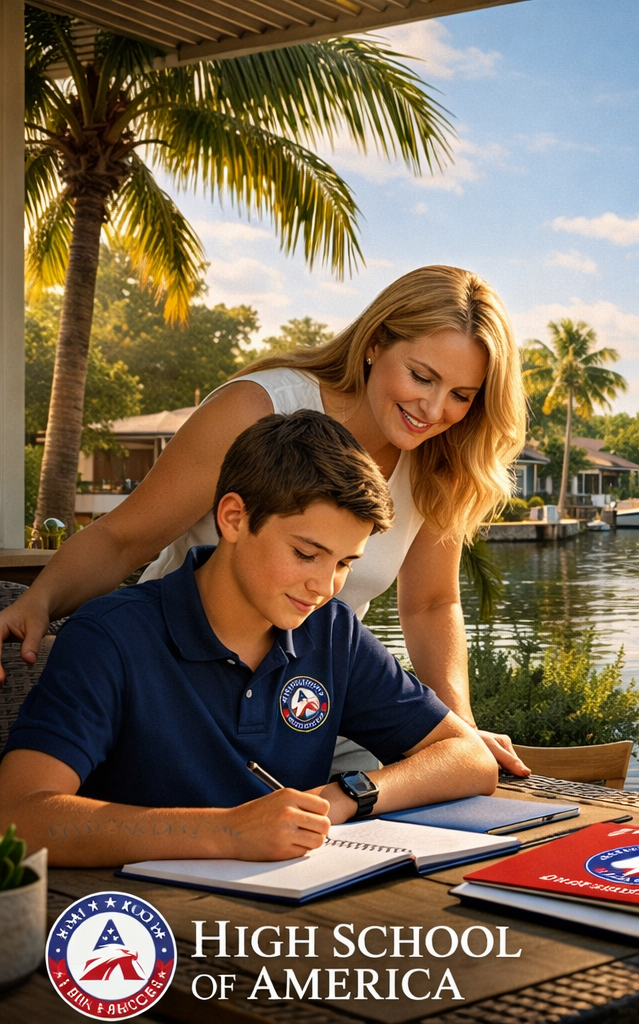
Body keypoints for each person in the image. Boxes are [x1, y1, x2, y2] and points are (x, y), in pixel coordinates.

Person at [0, 266, 530, 777]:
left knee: (418, 802)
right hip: (177, 681)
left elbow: (433, 603)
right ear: (375, 342)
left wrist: (458, 726)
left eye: (462, 395)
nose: (434, 409)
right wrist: (38, 602)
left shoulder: (441, 460)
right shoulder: (258, 409)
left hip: (306, 697)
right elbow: (121, 540)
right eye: (421, 376)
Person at [0, 412, 498, 867]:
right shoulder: (109, 638)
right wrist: (227, 832)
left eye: (345, 563)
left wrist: (345, 795)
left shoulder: (332, 634)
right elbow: (17, 818)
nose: (323, 588)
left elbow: (468, 757)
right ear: (233, 517)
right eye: (307, 553)